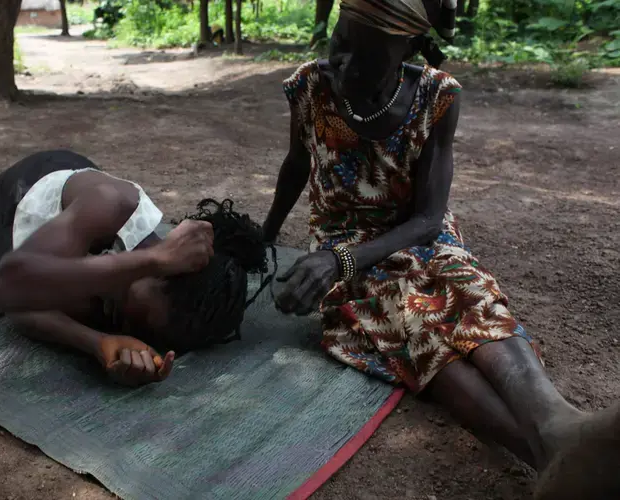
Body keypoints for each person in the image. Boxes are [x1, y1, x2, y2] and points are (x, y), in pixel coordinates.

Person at [261, 0, 619, 489]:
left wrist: (337, 261)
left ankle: (559, 421)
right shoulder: (309, 85)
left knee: (466, 286)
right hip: (344, 243)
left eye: (362, 56)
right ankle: (554, 454)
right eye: (338, 42)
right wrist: (267, 235)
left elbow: (428, 219)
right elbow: (296, 163)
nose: (340, 62)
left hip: (417, 234)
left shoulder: (437, 95)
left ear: (405, 48)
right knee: (413, 312)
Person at [0, 150, 269, 387]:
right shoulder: (114, 203)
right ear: (160, 270)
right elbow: (4, 289)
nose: (121, 322)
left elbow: (24, 310)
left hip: (59, 233)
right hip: (30, 187)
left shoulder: (140, 296)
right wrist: (154, 258)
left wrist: (98, 342)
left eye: (138, 331)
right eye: (132, 319)